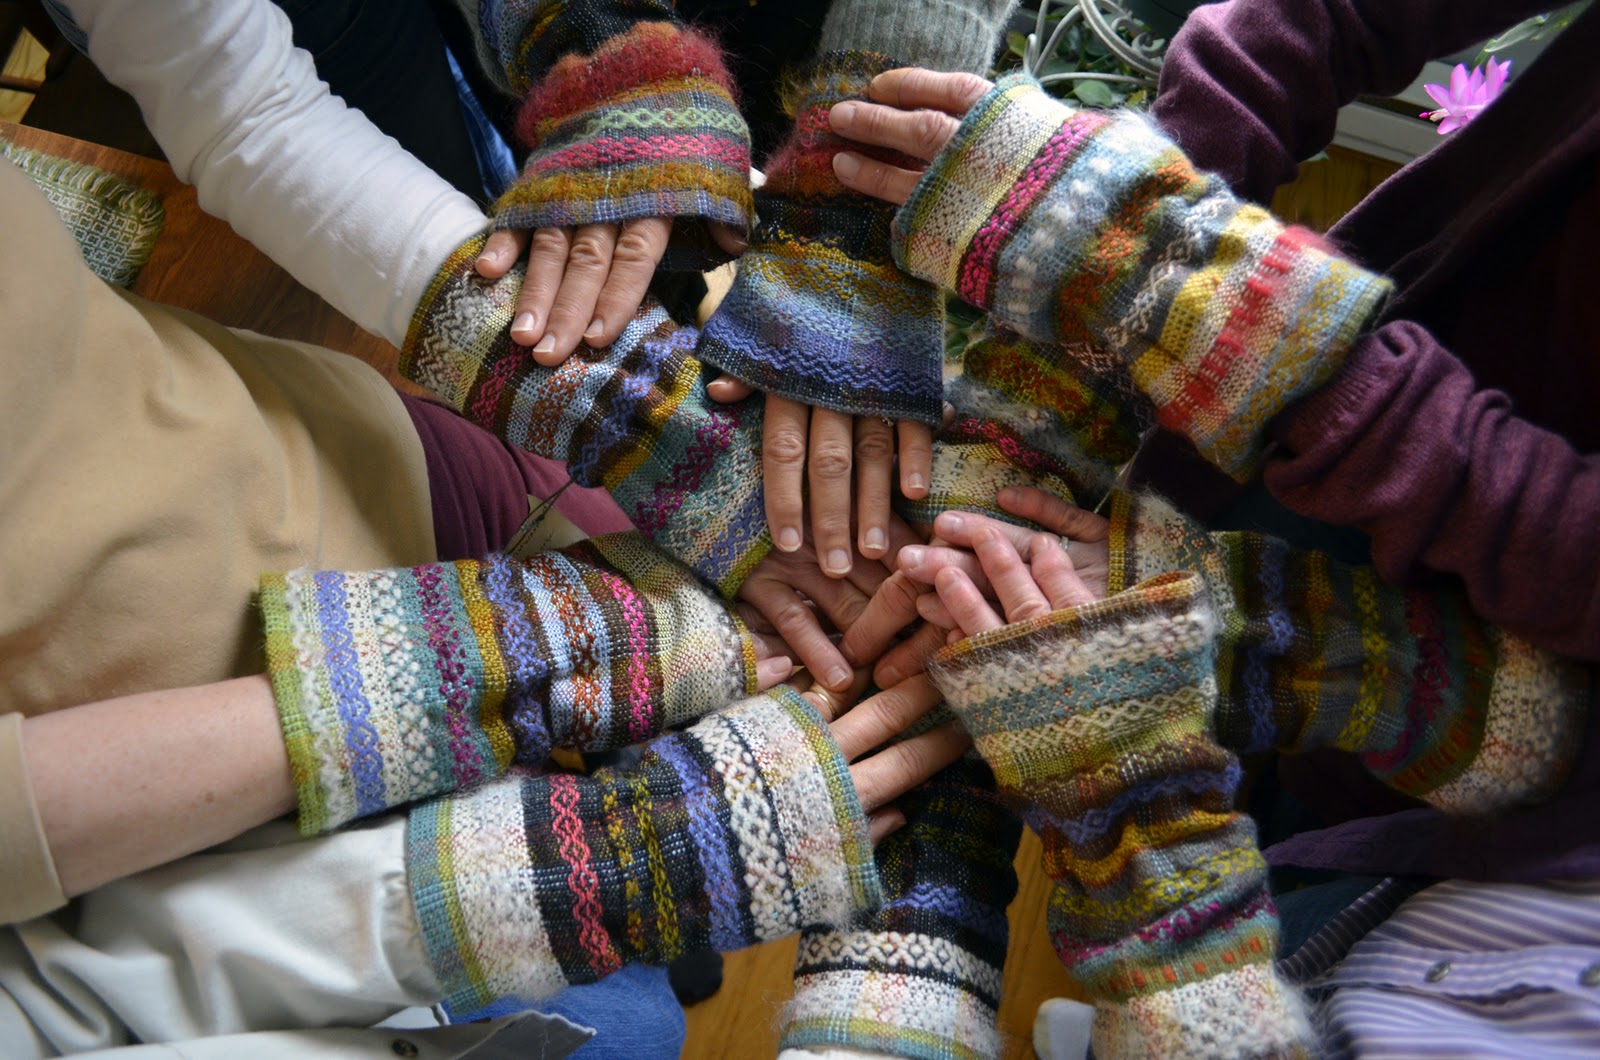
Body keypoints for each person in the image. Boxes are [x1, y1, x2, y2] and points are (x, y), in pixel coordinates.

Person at [0, 1, 972, 1056]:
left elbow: (239, 100)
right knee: (628, 1016)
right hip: (206, 846)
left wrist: (618, 408)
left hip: (366, 467)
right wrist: (568, 828)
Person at [794, 0, 1600, 1047]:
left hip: (1503, 756)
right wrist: (1117, 257)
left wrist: (1189, 291)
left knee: (1278, 862)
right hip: (1349, 541)